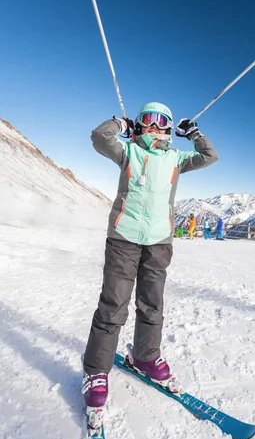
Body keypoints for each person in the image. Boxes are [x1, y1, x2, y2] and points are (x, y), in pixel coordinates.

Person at [82, 102, 218, 410]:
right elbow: (99, 137)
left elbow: (210, 156)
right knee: (113, 305)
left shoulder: (176, 158)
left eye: (162, 120)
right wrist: (119, 124)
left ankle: (145, 356)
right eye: (147, 119)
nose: (154, 125)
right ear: (140, 124)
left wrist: (194, 134)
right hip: (123, 239)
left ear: (170, 128)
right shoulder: (128, 151)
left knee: (152, 304)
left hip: (159, 242)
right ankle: (97, 372)